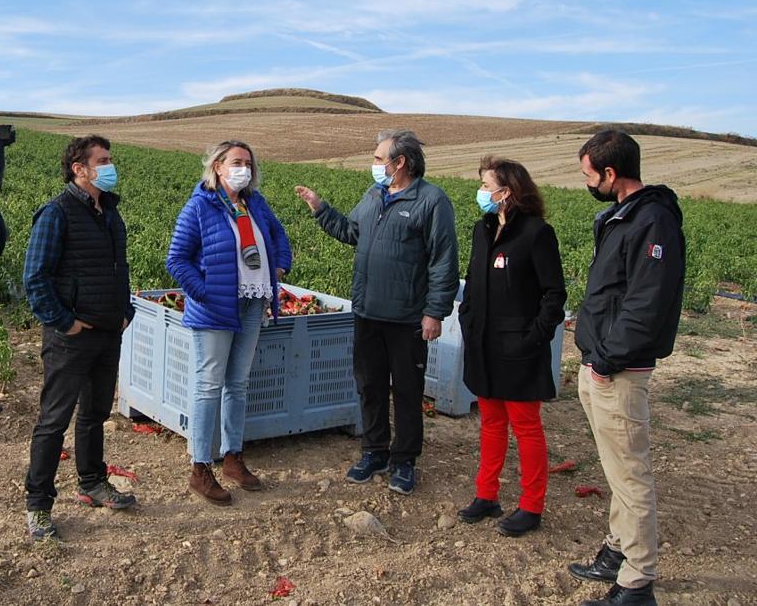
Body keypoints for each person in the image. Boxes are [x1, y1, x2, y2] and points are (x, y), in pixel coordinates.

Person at [294, 130, 458, 495]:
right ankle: (374, 452)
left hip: (407, 318)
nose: (374, 164)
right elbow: (353, 232)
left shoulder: (431, 201)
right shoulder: (374, 196)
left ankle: (404, 460)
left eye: (378, 158)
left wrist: (435, 312)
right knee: (369, 386)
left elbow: (443, 261)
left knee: (407, 390)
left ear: (400, 163)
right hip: (368, 312)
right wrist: (321, 210)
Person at [568, 130, 684, 606]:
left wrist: (606, 360)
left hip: (618, 370)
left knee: (632, 475)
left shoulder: (651, 221)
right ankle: (618, 550)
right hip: (600, 363)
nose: (586, 182)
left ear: (611, 173)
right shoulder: (623, 217)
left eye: (589, 174)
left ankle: (637, 582)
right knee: (616, 470)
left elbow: (646, 305)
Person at [22, 135, 136, 540]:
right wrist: (64, 322)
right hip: (72, 337)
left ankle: (92, 482)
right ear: (79, 169)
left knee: (95, 414)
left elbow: (118, 268)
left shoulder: (110, 212)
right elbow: (35, 279)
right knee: (54, 421)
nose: (110, 165)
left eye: (110, 158)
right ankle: (38, 504)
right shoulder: (57, 212)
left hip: (108, 332)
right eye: (103, 160)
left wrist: (126, 312)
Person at [166, 141, 292, 505]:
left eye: (249, 163)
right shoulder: (200, 206)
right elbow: (177, 259)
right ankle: (200, 467)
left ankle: (233, 457)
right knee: (209, 385)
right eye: (237, 162)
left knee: (237, 382)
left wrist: (279, 266)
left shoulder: (255, 203)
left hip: (253, 302)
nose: (245, 169)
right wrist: (204, 292)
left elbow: (278, 237)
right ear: (217, 167)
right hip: (216, 308)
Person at [455, 157, 566, 537]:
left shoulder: (536, 234)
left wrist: (533, 337)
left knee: (527, 427)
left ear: (509, 192)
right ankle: (487, 494)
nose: (482, 193)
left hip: (519, 348)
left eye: (488, 186)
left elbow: (554, 295)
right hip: (484, 344)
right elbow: (471, 282)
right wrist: (468, 319)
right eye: (483, 186)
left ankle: (532, 506)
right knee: (490, 422)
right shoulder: (482, 230)